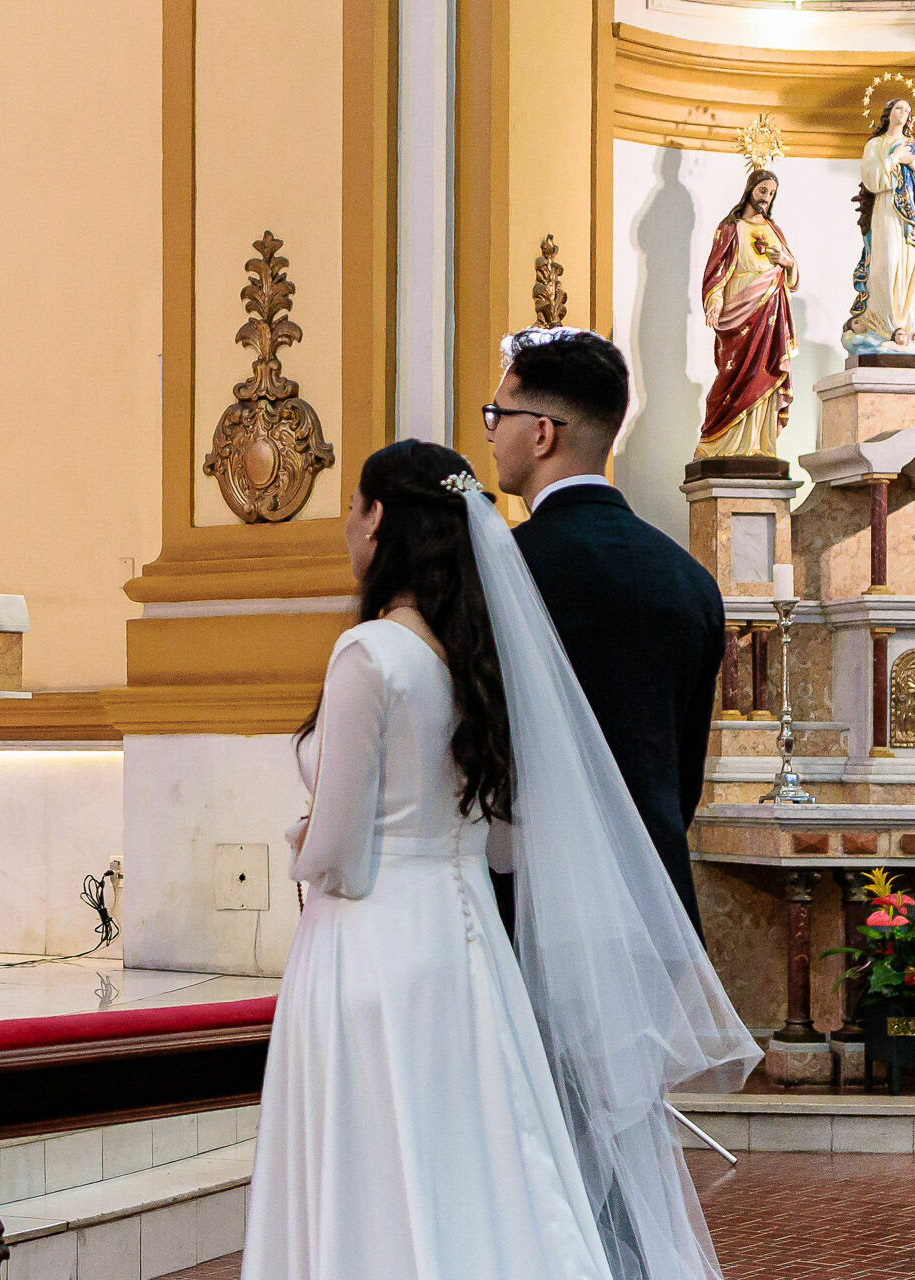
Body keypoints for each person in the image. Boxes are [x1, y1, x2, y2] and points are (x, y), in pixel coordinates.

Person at [241, 438, 758, 1280]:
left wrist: (303, 843)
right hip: (469, 942)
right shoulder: (476, 662)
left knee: (374, 1157)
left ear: (379, 520)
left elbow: (338, 853)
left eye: (353, 507)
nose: (346, 526)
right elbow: (508, 843)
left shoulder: (370, 654)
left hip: (370, 943)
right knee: (479, 1158)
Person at [484, 328, 724, 938]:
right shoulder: (690, 580)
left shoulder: (503, 569)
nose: (491, 433)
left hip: (539, 909)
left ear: (542, 433)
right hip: (658, 906)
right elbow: (682, 776)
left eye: (499, 415)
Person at [697, 168, 797, 461]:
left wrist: (788, 263)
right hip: (738, 311)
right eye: (763, 190)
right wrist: (715, 300)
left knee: (764, 371)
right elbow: (716, 271)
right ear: (750, 190)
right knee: (734, 375)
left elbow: (792, 276)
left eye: (771, 193)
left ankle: (759, 445)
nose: (766, 197)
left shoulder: (775, 230)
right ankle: (720, 444)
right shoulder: (730, 228)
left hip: (769, 312)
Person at [842, 97, 915, 352]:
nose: (904, 112)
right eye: (899, 108)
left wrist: (913, 162)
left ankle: (902, 323)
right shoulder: (875, 144)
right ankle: (882, 324)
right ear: (888, 113)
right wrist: (895, 157)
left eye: (907, 109)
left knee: (906, 269)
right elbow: (871, 179)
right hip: (885, 207)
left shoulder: (913, 146)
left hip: (910, 214)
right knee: (887, 262)